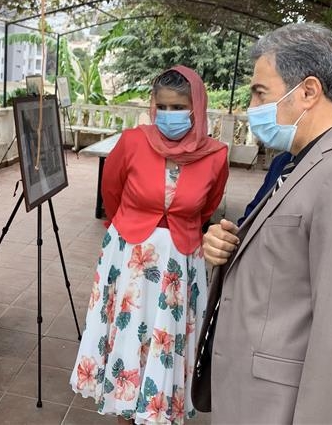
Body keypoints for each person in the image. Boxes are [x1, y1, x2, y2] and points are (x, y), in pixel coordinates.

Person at [200, 23, 332, 423]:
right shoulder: (303, 161)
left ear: (308, 92)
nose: (251, 105)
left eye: (261, 92)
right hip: (256, 398)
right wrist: (230, 245)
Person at [70, 65, 229, 423]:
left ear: (197, 107)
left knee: (163, 340)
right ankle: (126, 405)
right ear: (154, 106)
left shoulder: (216, 155)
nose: (170, 116)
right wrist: (129, 230)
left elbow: (206, 207)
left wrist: (176, 229)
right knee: (128, 336)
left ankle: (155, 407)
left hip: (180, 260)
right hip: (129, 257)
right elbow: (110, 193)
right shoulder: (132, 141)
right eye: (164, 108)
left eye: (179, 108)